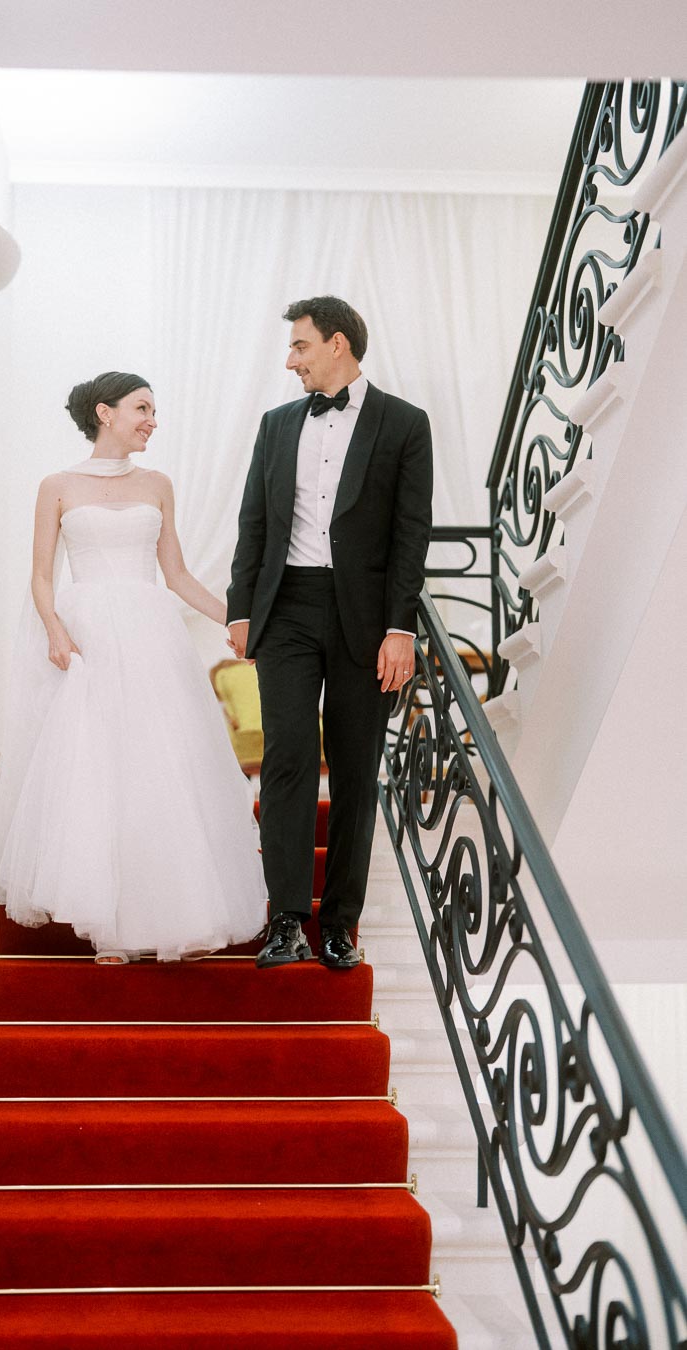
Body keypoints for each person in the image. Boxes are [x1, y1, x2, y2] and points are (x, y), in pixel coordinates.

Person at [0, 371, 267, 962]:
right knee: (96, 768)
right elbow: (40, 572)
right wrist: (55, 628)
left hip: (151, 631)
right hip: (88, 634)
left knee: (159, 767)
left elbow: (176, 574)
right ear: (105, 412)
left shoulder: (158, 484)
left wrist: (236, 621)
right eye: (143, 408)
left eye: (153, 409)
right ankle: (106, 920)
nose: (153, 419)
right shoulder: (56, 485)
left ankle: (167, 914)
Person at [227, 297, 432, 970]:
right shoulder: (276, 424)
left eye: (301, 346)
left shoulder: (405, 424)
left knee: (353, 767)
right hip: (285, 606)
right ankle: (285, 918)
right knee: (288, 757)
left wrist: (400, 627)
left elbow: (410, 535)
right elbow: (254, 520)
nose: (291, 359)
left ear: (337, 344)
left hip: (366, 620)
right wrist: (240, 607)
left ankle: (339, 923)